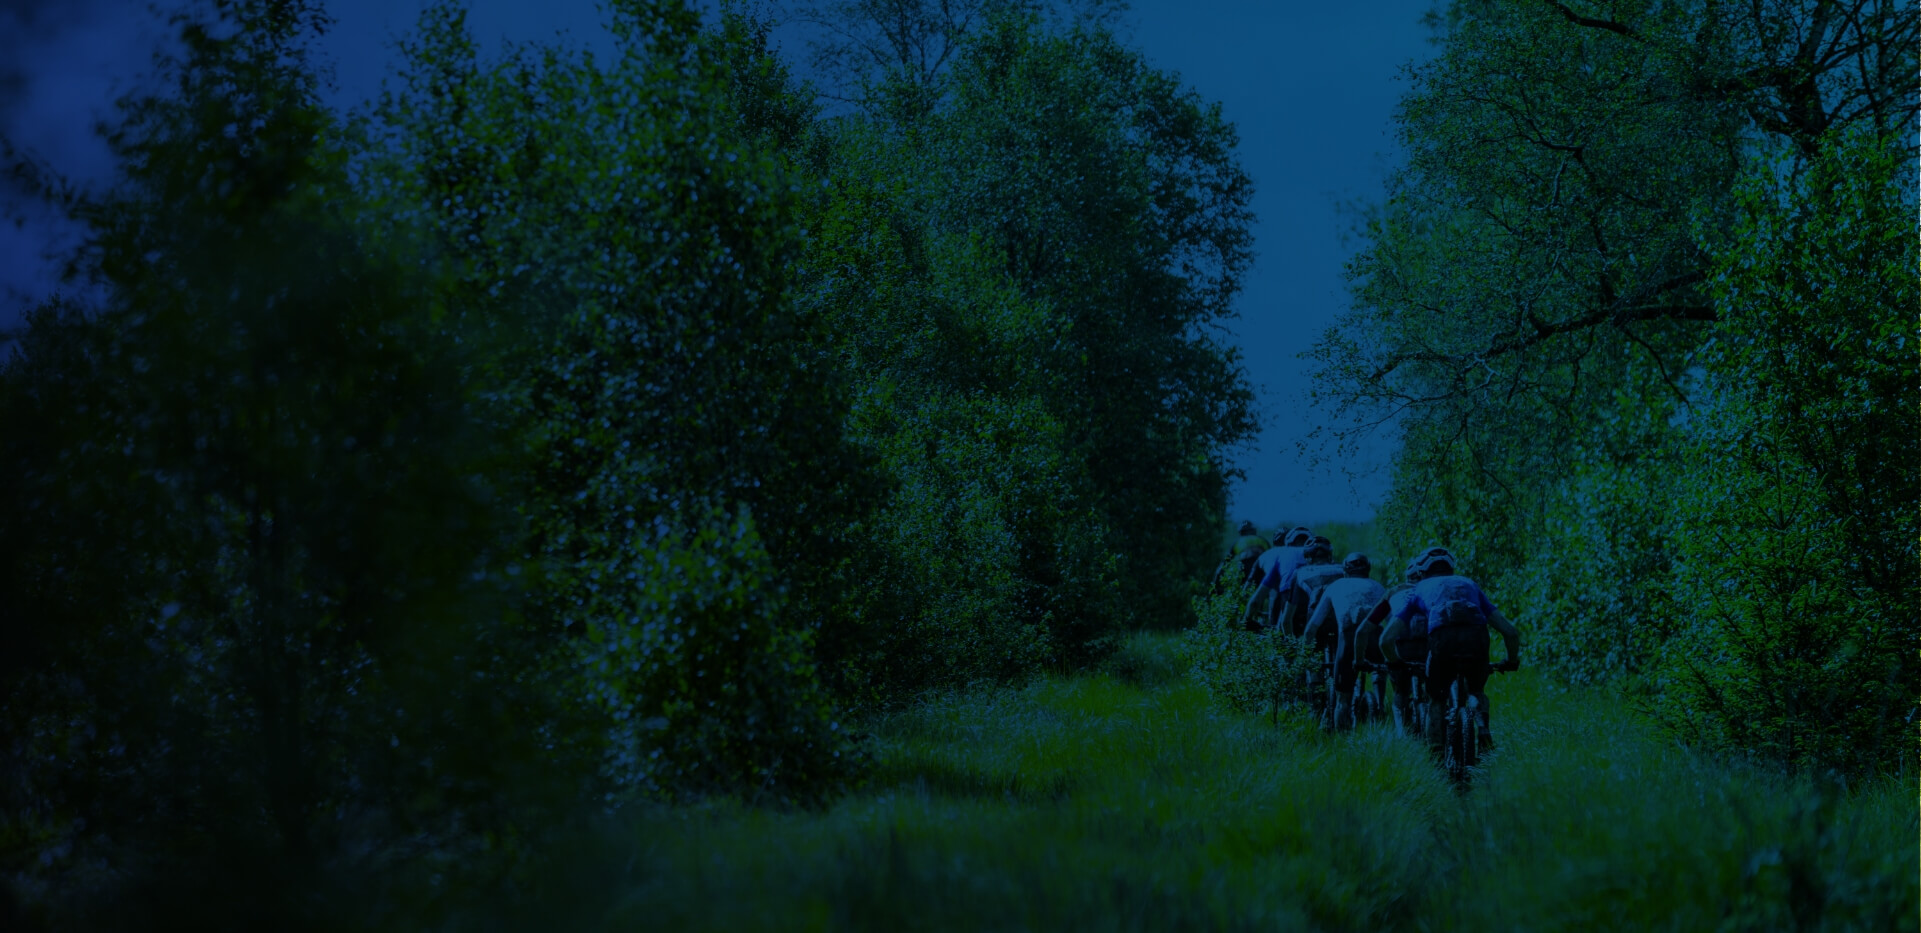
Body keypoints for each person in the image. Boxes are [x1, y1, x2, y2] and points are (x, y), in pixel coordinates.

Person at [1378, 550, 1521, 753]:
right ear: (1451, 568)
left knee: (1436, 698)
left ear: (1423, 571)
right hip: (1477, 638)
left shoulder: (1419, 589)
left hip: (1442, 640)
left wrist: (1395, 662)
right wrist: (1511, 660)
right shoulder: (1469, 584)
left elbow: (1386, 639)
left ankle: (1436, 754)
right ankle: (1483, 730)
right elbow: (1510, 632)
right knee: (1477, 690)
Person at [1301, 552, 1388, 731]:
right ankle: (1380, 706)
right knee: (1380, 670)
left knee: (1343, 700)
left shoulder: (1335, 586)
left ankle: (1343, 741)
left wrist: (1305, 654)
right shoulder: (1379, 587)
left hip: (1348, 638)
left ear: (1345, 570)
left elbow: (1312, 627)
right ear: (1368, 570)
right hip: (1376, 636)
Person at [1240, 526, 1311, 630]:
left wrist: (1244, 619)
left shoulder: (1268, 555)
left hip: (1281, 591)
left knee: (1278, 630)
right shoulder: (1312, 554)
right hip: (1308, 598)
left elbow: (1248, 589)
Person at [1212, 521, 1271, 593]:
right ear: (1254, 531)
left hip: (1245, 566)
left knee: (1244, 590)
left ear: (1241, 533)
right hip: (1261, 567)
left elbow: (1224, 564)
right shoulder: (1263, 540)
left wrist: (1215, 585)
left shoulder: (1238, 541)